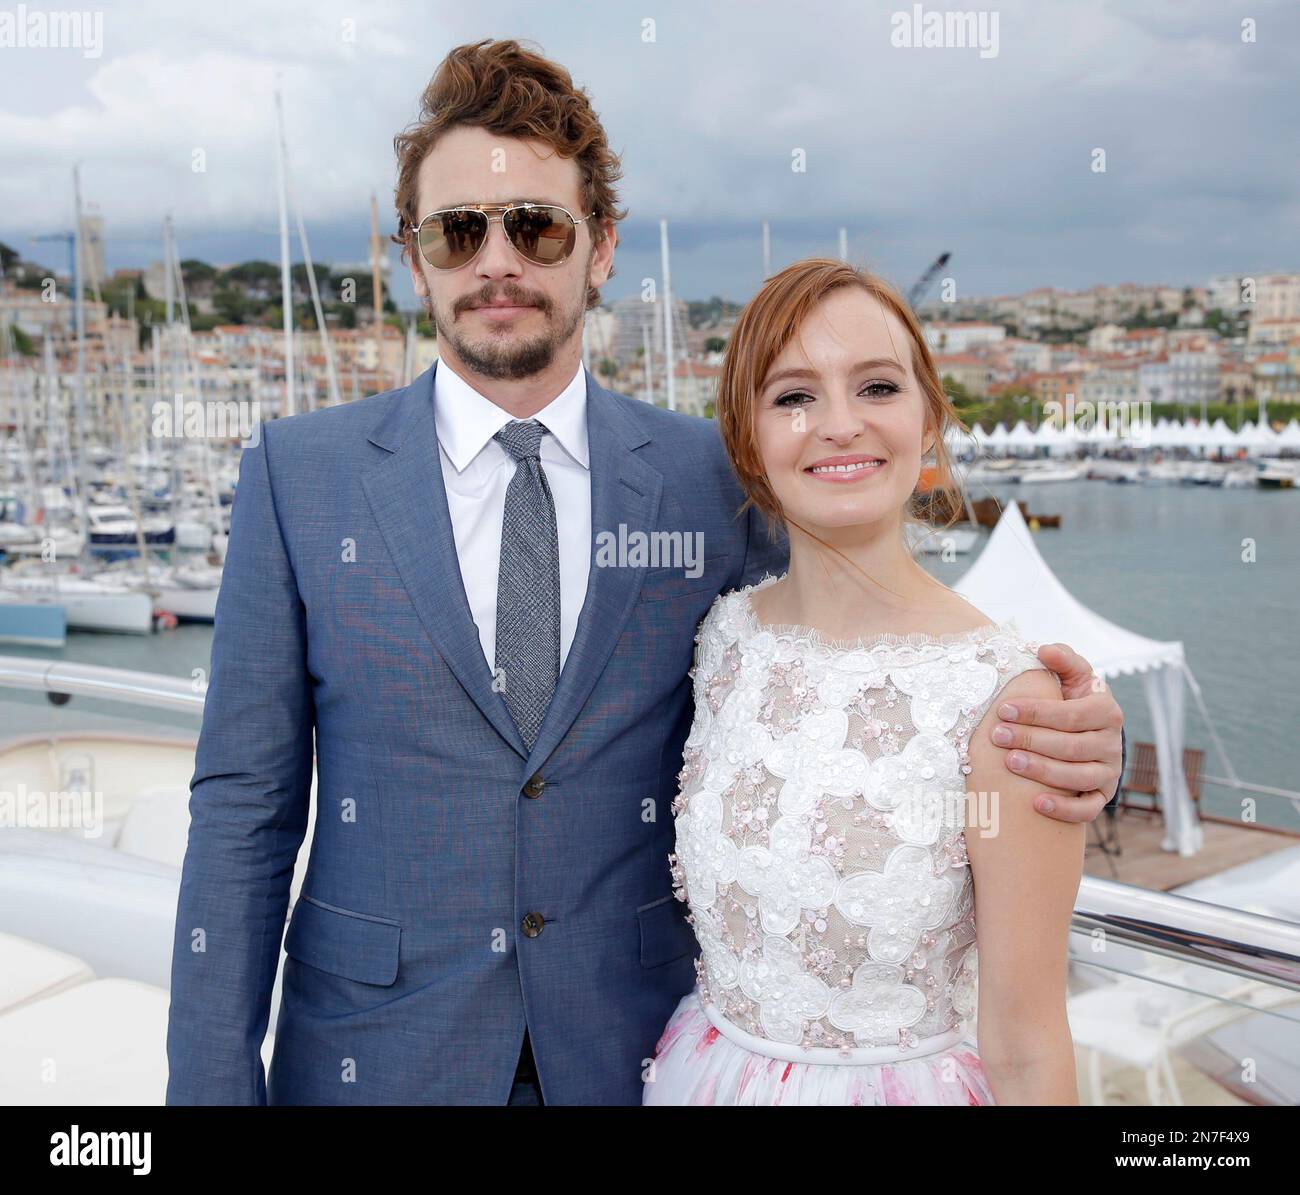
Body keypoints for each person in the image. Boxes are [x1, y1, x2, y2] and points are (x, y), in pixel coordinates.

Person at [166, 39, 1123, 1107]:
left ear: (602, 246)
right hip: (374, 1057)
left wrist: (1074, 740)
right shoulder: (300, 478)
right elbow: (242, 812)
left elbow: (859, 658)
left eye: (535, 226)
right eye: (457, 231)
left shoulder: (711, 480)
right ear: (411, 253)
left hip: (632, 1058)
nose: (497, 262)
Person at [644, 259, 1091, 1106]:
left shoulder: (1006, 697)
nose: (839, 424)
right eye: (794, 396)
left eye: (878, 387)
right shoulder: (724, 641)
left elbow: (1028, 1042)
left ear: (928, 421)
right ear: (748, 438)